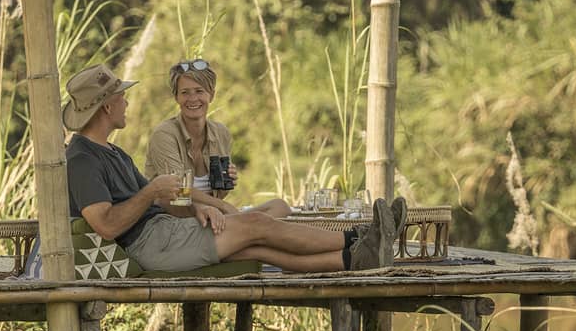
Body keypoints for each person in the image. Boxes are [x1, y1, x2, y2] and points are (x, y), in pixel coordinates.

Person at [62, 62, 407, 275]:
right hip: (151, 244)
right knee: (256, 223)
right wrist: (155, 190)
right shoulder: (82, 159)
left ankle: (355, 259)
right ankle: (359, 236)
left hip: (166, 229)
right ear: (107, 106)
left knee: (256, 247)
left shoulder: (113, 151)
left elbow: (166, 198)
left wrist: (198, 207)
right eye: (121, 97)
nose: (126, 101)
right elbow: (106, 225)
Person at [144, 58, 289, 218]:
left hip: (215, 216)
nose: (192, 99)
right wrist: (223, 206)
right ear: (176, 97)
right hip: (176, 217)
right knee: (256, 225)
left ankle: (247, 229)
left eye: (199, 91)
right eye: (185, 92)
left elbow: (218, 194)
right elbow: (179, 191)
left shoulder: (221, 133)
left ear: (211, 95)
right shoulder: (164, 135)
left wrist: (226, 183)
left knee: (279, 206)